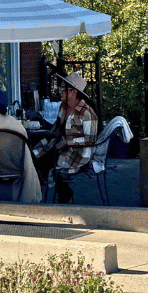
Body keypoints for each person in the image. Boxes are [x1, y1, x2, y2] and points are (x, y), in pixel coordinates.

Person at [32, 72, 98, 203]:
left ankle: (57, 192)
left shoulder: (86, 112)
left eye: (63, 89)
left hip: (78, 151)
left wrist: (68, 142)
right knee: (32, 154)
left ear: (73, 92)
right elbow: (56, 129)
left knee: (47, 161)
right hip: (59, 145)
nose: (60, 92)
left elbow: (90, 140)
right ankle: (43, 190)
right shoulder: (64, 107)